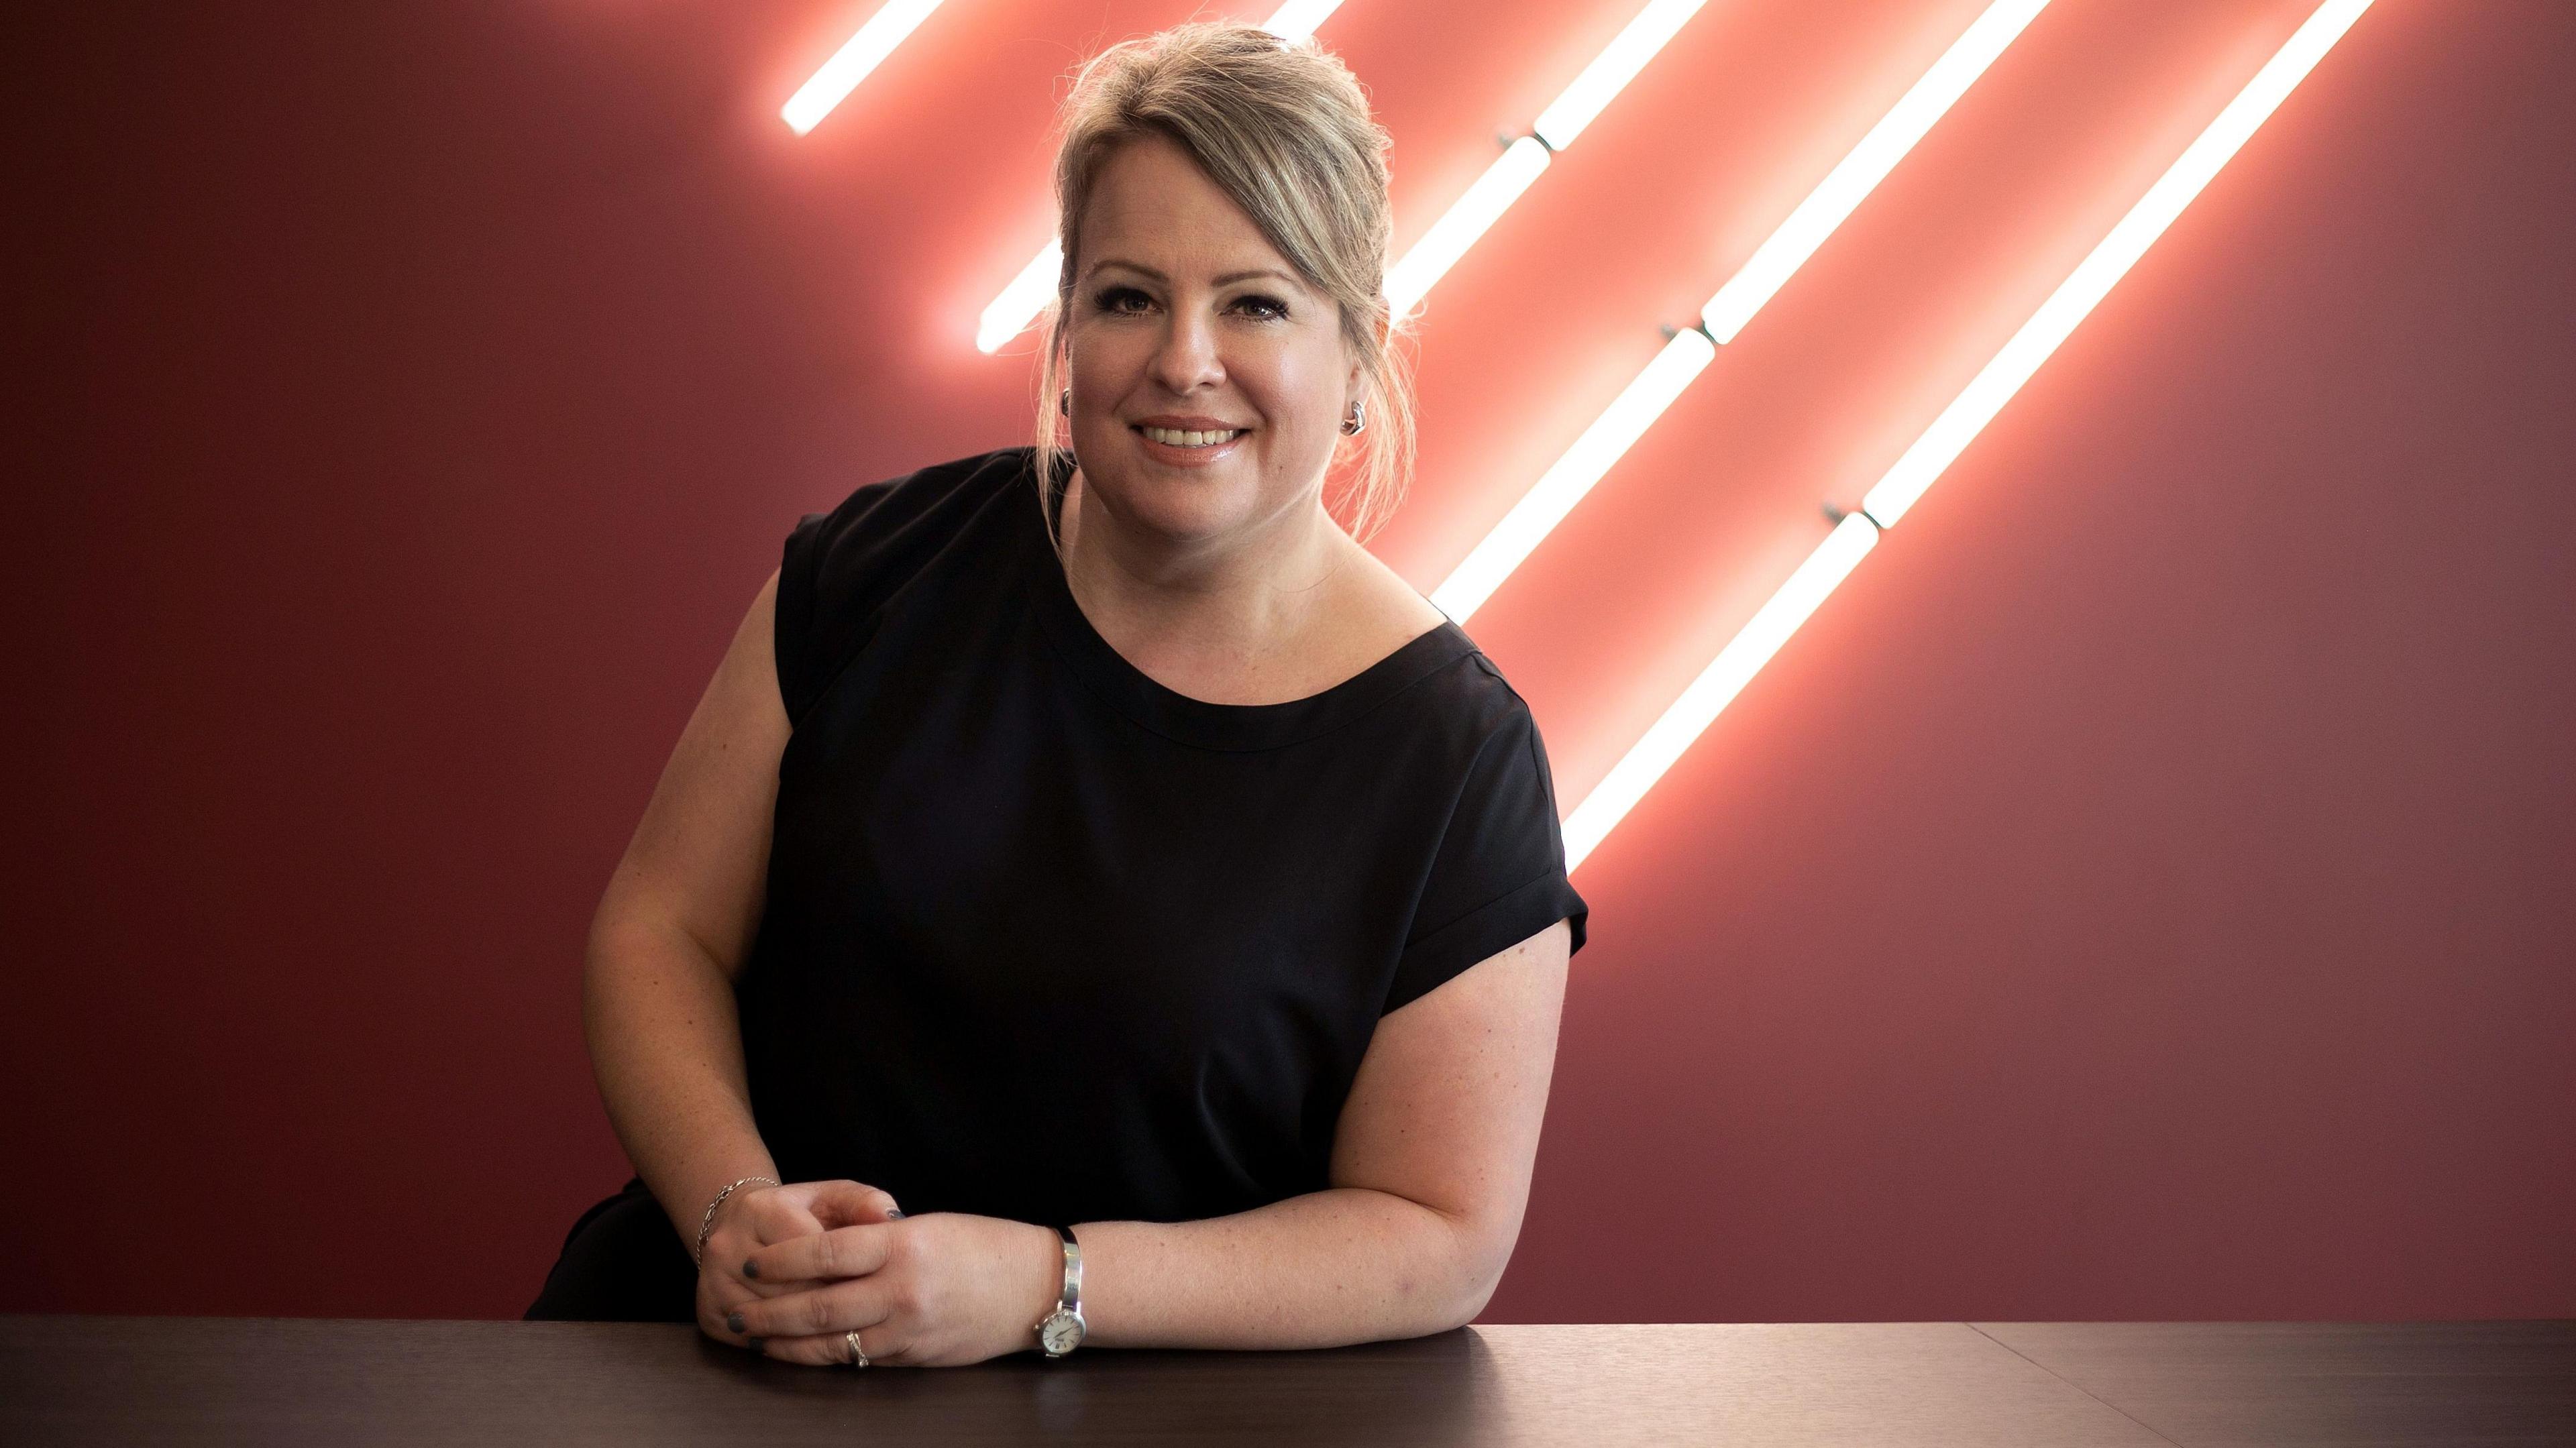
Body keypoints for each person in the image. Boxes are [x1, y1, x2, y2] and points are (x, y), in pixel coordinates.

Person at [526, 21, 1588, 1368]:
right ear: (1068, 322)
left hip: (1135, 1413)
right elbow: (659, 931)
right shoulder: (873, 565)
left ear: (1358, 351)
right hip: (713, 1346)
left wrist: (1049, 1286)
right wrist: (734, 1212)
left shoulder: (1456, 757)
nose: (1184, 360)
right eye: (1129, 295)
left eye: (1255, 302)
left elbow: (1439, 1235)